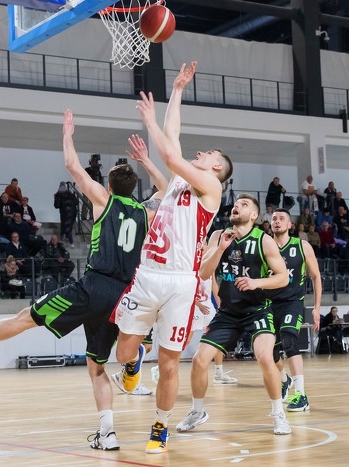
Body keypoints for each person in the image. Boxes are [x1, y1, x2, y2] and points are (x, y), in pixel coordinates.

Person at [0, 110, 160, 452]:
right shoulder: (147, 212)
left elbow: (73, 166)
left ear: (110, 186)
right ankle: (108, 434)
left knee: (24, 318)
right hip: (122, 296)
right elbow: (168, 192)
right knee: (96, 366)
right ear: (135, 188)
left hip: (94, 286)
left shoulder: (104, 200)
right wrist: (147, 161)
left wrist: (67, 135)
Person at [112, 62, 233, 454]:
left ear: (217, 167)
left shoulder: (210, 185)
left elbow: (169, 150)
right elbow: (174, 136)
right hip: (148, 274)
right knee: (123, 351)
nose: (200, 153)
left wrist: (149, 120)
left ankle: (160, 425)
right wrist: (177, 90)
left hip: (180, 282)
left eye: (208, 153)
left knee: (168, 364)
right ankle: (132, 363)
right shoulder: (183, 180)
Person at [175, 194, 290, 437]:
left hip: (257, 310)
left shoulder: (264, 240)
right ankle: (197, 411)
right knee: (198, 360)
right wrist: (220, 249)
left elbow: (283, 278)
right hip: (227, 312)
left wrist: (256, 282)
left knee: (264, 358)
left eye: (244, 204)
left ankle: (278, 413)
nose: (237, 206)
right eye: (236, 203)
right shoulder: (218, 236)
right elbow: (203, 273)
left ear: (254, 215)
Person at [269, 208, 321, 412]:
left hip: (292, 301)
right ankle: (285, 380)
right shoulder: (265, 245)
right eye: (274, 218)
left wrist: (316, 307)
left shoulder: (302, 246)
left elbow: (316, 277)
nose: (277, 221)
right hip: (268, 303)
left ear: (290, 225)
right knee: (268, 351)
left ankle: (301, 395)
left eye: (282, 218)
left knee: (289, 341)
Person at [54, 182, 78, 247]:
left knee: (66, 227)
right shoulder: (70, 194)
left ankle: (71, 242)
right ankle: (67, 239)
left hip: (64, 213)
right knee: (69, 227)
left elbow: (56, 205)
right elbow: (76, 202)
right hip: (73, 213)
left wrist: (55, 198)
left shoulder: (58, 195)